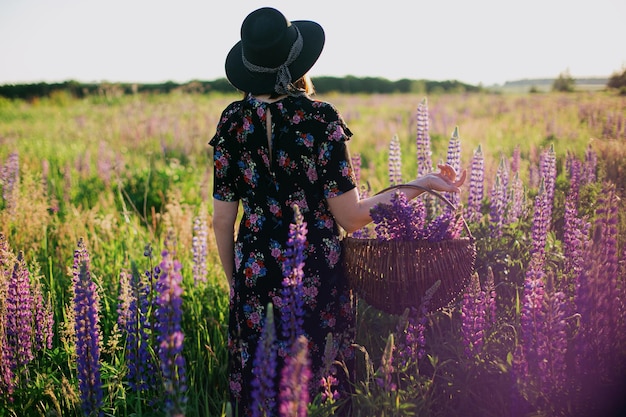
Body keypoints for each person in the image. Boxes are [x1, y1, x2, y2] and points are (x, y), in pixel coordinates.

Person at [210, 7, 466, 416]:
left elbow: (222, 220)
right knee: (320, 389)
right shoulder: (319, 119)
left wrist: (237, 285)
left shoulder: (232, 122)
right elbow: (351, 217)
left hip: (253, 278)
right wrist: (421, 184)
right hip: (317, 275)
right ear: (297, 62)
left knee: (261, 394)